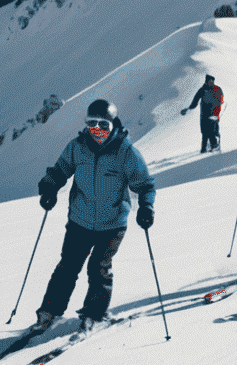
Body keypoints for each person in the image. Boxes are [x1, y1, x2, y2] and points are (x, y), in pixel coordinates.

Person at [34, 99, 155, 329]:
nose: (97, 130)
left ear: (113, 124)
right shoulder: (77, 146)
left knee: (98, 267)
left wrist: (146, 207)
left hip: (112, 223)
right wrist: (49, 187)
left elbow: (145, 185)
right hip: (80, 219)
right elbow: (60, 170)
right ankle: (49, 311)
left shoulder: (125, 151)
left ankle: (94, 313)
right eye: (92, 124)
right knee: (68, 266)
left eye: (103, 124)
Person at [181, 73, 224, 152]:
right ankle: (207, 148)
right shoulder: (206, 89)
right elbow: (195, 101)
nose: (211, 83)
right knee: (207, 131)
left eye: (212, 81)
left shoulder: (207, 89)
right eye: (210, 81)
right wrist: (188, 109)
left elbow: (195, 101)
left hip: (210, 113)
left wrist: (188, 108)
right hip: (208, 113)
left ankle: (210, 148)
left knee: (209, 131)